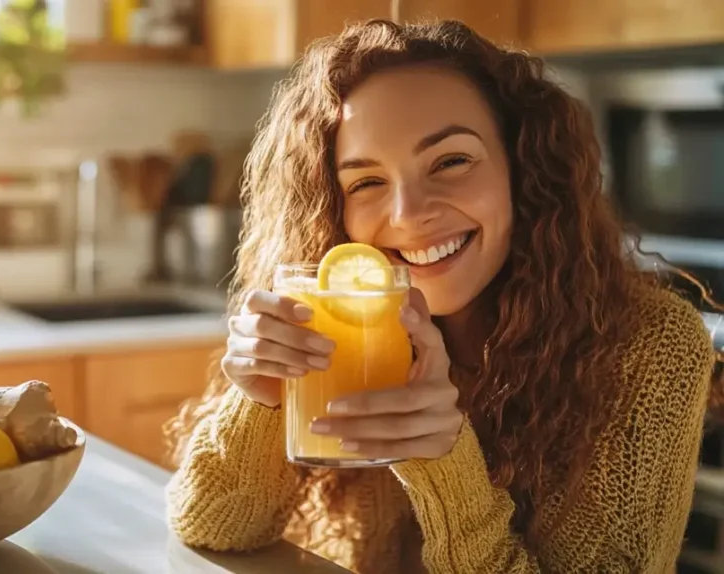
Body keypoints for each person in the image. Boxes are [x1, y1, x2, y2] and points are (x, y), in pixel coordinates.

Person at [164, 18, 723, 573]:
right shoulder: (336, 323)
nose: (409, 215)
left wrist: (443, 457)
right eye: (366, 182)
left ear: (522, 168)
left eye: (451, 161)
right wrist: (260, 401)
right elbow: (210, 526)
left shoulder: (652, 346)